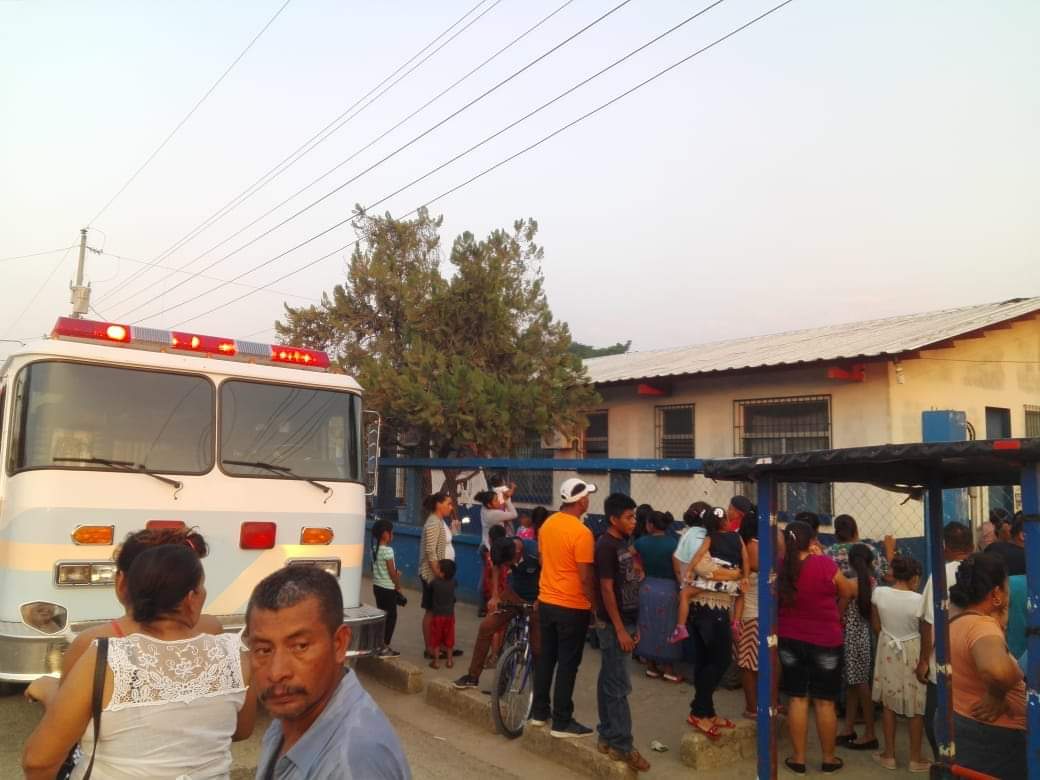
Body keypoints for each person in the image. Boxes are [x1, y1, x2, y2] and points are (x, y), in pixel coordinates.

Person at [23, 544, 256, 779]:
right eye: (202, 586)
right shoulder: (235, 655)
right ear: (191, 598)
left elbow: (38, 762)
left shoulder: (106, 657)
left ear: (127, 591)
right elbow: (241, 730)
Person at [25, 526, 223, 709]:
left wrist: (45, 689)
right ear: (191, 591)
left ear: (121, 582)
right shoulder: (211, 630)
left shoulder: (92, 643)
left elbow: (65, 718)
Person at [248, 565, 411, 779]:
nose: (277, 672)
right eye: (263, 650)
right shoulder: (291, 719)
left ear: (339, 644)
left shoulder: (352, 764)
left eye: (300, 646)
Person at [777, 521, 857, 775]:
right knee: (825, 702)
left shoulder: (780, 567)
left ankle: (798, 759)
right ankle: (828, 758)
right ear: (811, 541)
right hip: (825, 640)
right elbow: (847, 590)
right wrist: (838, 612)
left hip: (790, 638)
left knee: (797, 699)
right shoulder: (823, 564)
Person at [946, 553, 1026, 778]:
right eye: (1006, 586)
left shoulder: (957, 618)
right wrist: (997, 694)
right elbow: (997, 672)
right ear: (996, 593)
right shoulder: (982, 626)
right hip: (994, 738)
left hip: (968, 727)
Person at [531, 478, 599, 738]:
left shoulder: (547, 525)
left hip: (547, 602)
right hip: (572, 606)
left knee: (547, 658)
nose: (588, 500)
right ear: (581, 501)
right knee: (568, 663)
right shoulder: (582, 533)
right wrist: (593, 605)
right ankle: (562, 721)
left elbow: (542, 559)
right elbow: (584, 577)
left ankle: (539, 713)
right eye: (587, 497)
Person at [593, 492, 650, 772]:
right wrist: (620, 630)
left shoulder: (623, 543)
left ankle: (607, 735)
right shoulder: (605, 546)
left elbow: (629, 580)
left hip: (627, 622)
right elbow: (605, 588)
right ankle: (623, 745)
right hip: (613, 625)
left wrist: (633, 626)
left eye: (635, 516)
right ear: (613, 519)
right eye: (628, 517)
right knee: (619, 686)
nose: (633, 521)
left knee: (609, 680)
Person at [682, 504, 748, 740]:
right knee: (720, 660)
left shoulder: (728, 541)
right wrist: (735, 574)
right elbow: (702, 567)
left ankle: (707, 711)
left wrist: (733, 574)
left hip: (710, 607)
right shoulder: (709, 542)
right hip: (710, 609)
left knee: (706, 661)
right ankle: (699, 710)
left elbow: (708, 569)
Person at [915, 521, 973, 760]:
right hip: (972, 656)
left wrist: (923, 661)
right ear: (971, 545)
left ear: (945, 546)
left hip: (944, 661)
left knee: (935, 718)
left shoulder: (940, 574)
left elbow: (929, 622)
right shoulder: (981, 569)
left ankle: (944, 763)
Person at [454, 534, 541, 688]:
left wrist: (540, 599)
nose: (506, 567)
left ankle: (539, 692)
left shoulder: (535, 551)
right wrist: (495, 596)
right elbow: (496, 566)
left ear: (517, 553)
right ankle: (472, 676)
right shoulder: (504, 549)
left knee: (538, 648)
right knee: (486, 627)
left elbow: (549, 573)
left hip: (536, 600)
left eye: (508, 564)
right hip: (513, 595)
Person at [870, 556, 928, 773]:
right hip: (913, 649)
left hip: (887, 648)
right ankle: (915, 759)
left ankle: (889, 755)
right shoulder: (920, 600)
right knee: (916, 706)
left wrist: (889, 637)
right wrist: (923, 659)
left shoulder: (879, 593)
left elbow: (876, 625)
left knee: (888, 703)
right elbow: (925, 632)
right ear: (915, 577)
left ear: (893, 573)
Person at [670, 505, 747, 644]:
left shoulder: (709, 538)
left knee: (684, 594)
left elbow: (698, 555)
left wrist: (689, 569)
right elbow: (745, 559)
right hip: (733, 581)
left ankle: (680, 627)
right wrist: (745, 577)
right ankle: (736, 622)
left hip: (713, 581)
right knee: (741, 594)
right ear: (726, 522)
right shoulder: (737, 537)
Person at [834, 544, 879, 752]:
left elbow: (838, 613)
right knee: (855, 684)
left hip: (851, 638)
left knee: (859, 685)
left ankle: (870, 734)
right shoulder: (872, 583)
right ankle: (848, 728)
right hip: (865, 637)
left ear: (850, 561)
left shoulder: (850, 585)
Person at [634, 510, 682, 682]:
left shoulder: (641, 542)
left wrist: (639, 567)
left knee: (647, 624)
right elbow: (678, 569)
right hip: (668, 588)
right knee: (668, 627)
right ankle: (668, 669)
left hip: (647, 588)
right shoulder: (674, 543)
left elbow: (628, 554)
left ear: (651, 525)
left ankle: (651, 667)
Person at [419, 492, 461, 658]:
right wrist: (439, 574)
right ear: (438, 504)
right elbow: (430, 550)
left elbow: (442, 542)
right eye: (448, 504)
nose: (451, 507)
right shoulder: (433, 523)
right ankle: (430, 648)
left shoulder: (440, 521)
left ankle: (443, 646)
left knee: (442, 611)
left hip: (443, 575)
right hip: (433, 576)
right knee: (431, 610)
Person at [734, 511, 760, 719]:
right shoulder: (753, 546)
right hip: (753, 613)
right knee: (752, 663)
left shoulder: (745, 544)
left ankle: (753, 706)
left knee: (749, 663)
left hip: (749, 612)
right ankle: (755, 706)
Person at [371, 519, 404, 659]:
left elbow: (379, 569)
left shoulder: (374, 548)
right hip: (388, 588)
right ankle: (384, 647)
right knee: (391, 617)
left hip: (377, 586)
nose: (393, 535)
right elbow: (391, 573)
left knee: (382, 616)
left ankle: (378, 644)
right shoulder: (388, 551)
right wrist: (398, 586)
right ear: (386, 534)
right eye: (392, 532)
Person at [428, 559, 457, 669]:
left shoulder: (435, 583)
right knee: (449, 638)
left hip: (438, 616)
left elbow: (429, 587)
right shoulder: (454, 582)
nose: (436, 570)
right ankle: (449, 661)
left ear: (442, 572)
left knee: (436, 638)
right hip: (450, 616)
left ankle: (436, 662)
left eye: (438, 568)